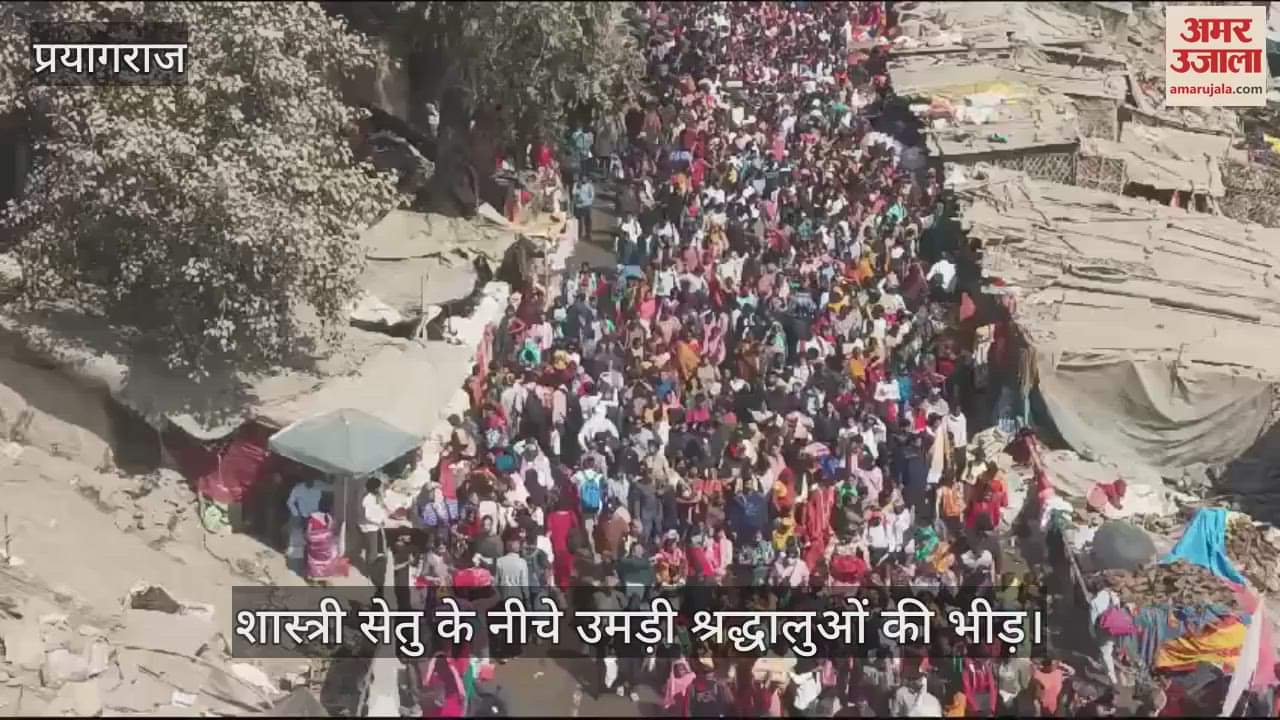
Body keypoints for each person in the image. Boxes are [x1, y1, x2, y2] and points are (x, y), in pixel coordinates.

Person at [359, 477, 389, 585]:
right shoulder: (367, 498)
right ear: (376, 488)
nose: (382, 488)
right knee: (373, 552)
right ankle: (370, 573)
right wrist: (378, 522)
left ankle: (369, 570)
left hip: (375, 526)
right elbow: (368, 516)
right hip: (369, 527)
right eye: (380, 486)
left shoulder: (376, 497)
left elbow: (380, 510)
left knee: (373, 550)